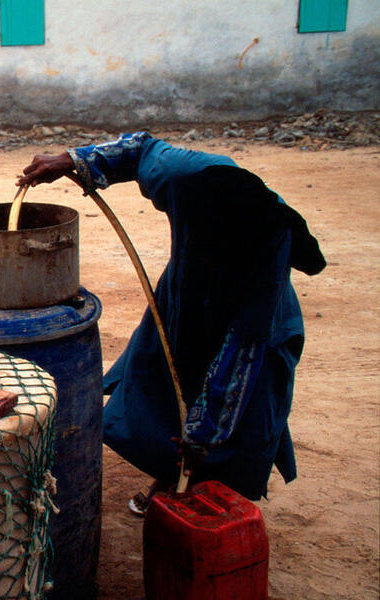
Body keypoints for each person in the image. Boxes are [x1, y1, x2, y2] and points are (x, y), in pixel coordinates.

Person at [18, 132, 325, 509]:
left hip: (250, 325)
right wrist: (70, 159)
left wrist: (203, 435)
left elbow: (241, 357)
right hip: (185, 290)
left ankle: (205, 491)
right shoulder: (182, 174)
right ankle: (169, 473)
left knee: (245, 411)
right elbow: (140, 147)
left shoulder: (264, 258)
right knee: (164, 378)